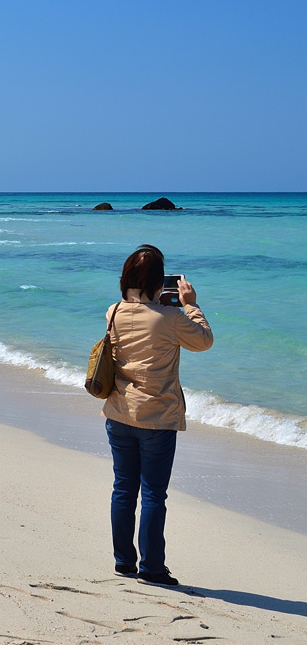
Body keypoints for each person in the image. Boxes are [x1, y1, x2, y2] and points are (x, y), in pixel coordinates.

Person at [103, 244, 213, 586]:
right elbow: (204, 341)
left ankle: (124, 561)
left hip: (119, 413)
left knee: (124, 488)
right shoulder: (172, 318)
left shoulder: (114, 312)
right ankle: (151, 566)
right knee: (152, 494)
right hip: (157, 418)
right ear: (157, 282)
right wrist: (190, 304)